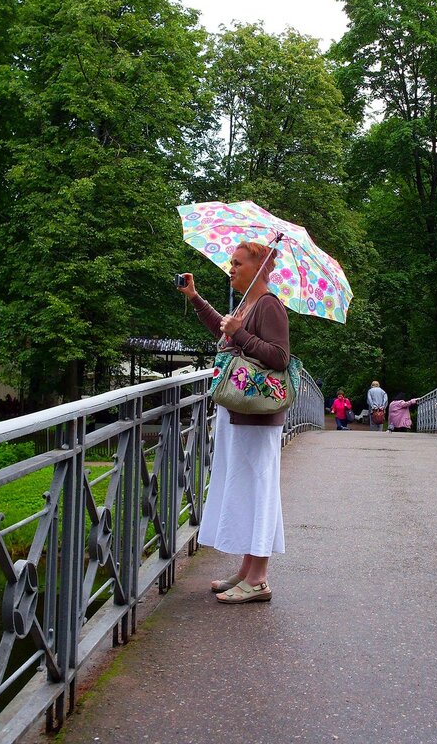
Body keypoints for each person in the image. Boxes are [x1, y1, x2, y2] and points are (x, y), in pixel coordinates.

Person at [177, 241, 289, 605]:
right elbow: (225, 333)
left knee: (258, 491)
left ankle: (258, 580)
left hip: (257, 417)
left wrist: (240, 333)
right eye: (231, 262)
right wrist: (195, 298)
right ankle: (246, 571)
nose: (231, 268)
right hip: (239, 413)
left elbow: (279, 358)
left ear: (260, 266)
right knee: (244, 490)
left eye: (237, 263)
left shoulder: (269, 305)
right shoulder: (247, 304)